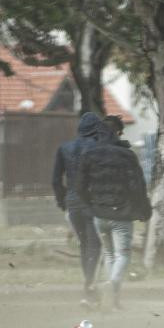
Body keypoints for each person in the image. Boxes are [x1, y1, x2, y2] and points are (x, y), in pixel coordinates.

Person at [77, 114, 151, 310]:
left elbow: (79, 186)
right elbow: (138, 186)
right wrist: (143, 210)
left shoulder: (89, 155)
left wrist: (91, 205)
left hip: (99, 215)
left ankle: (114, 301)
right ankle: (111, 286)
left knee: (109, 255)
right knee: (123, 255)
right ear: (118, 133)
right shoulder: (127, 155)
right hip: (122, 213)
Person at [52, 112, 112, 307]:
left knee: (85, 245)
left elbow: (55, 180)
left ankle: (89, 287)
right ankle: (90, 288)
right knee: (96, 245)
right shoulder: (101, 148)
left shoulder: (65, 148)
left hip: (73, 203)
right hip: (94, 202)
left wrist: (63, 202)